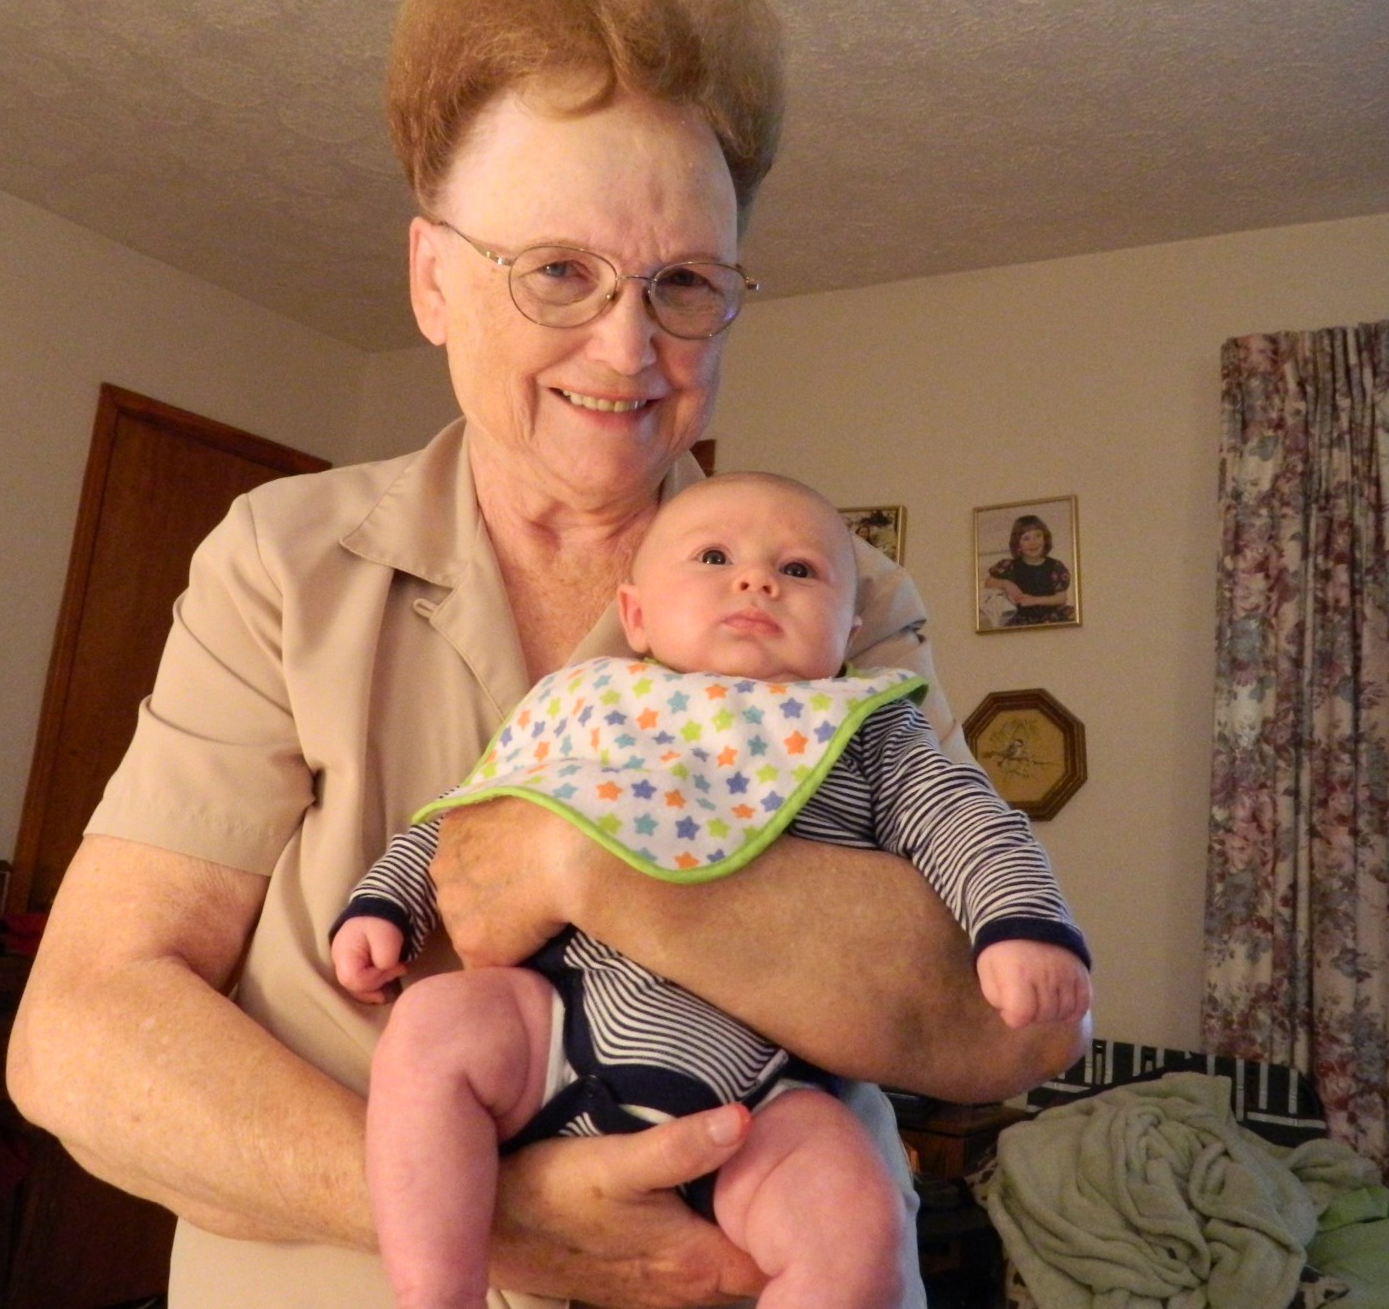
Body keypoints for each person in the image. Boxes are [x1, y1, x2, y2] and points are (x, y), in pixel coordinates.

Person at [7, 0, 1089, 1309]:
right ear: (434, 278)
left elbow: (993, 1026)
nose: (628, 348)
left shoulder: (839, 600)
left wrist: (588, 866)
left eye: (683, 282)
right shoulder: (285, 560)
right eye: (559, 272)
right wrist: (488, 1215)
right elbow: (83, 1028)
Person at [333, 472, 1091, 1309]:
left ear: (849, 631)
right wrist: (386, 902)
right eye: (715, 558)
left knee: (854, 1214)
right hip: (557, 1030)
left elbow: (964, 819)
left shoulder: (868, 727)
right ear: (636, 616)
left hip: (767, 1093)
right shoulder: (592, 703)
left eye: (798, 570)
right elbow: (466, 815)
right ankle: (435, 1292)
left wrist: (1020, 922)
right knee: (432, 1029)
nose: (757, 580)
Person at [986, 515, 1074, 625]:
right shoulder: (1010, 565)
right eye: (1026, 538)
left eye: (1038, 536)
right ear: (1017, 544)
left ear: (1045, 539)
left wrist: (1034, 600)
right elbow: (988, 582)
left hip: (1052, 615)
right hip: (1023, 618)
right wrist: (1006, 584)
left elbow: (1061, 598)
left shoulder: (1055, 566)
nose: (1033, 543)